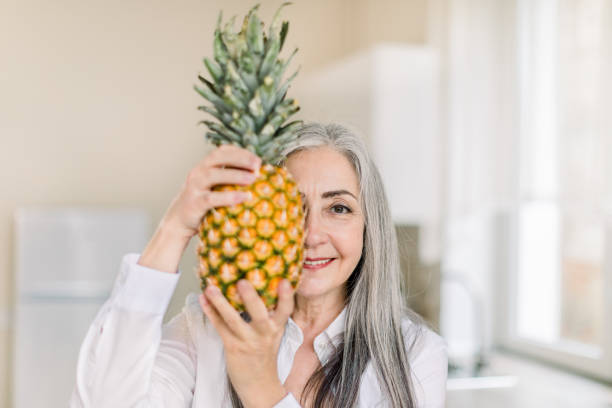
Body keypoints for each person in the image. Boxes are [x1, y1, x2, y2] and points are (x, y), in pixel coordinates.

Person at [70, 122, 448, 408]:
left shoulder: (415, 354)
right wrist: (175, 227)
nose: (312, 234)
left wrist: (262, 387)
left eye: (338, 208)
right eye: (291, 208)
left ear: (370, 227)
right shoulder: (208, 328)